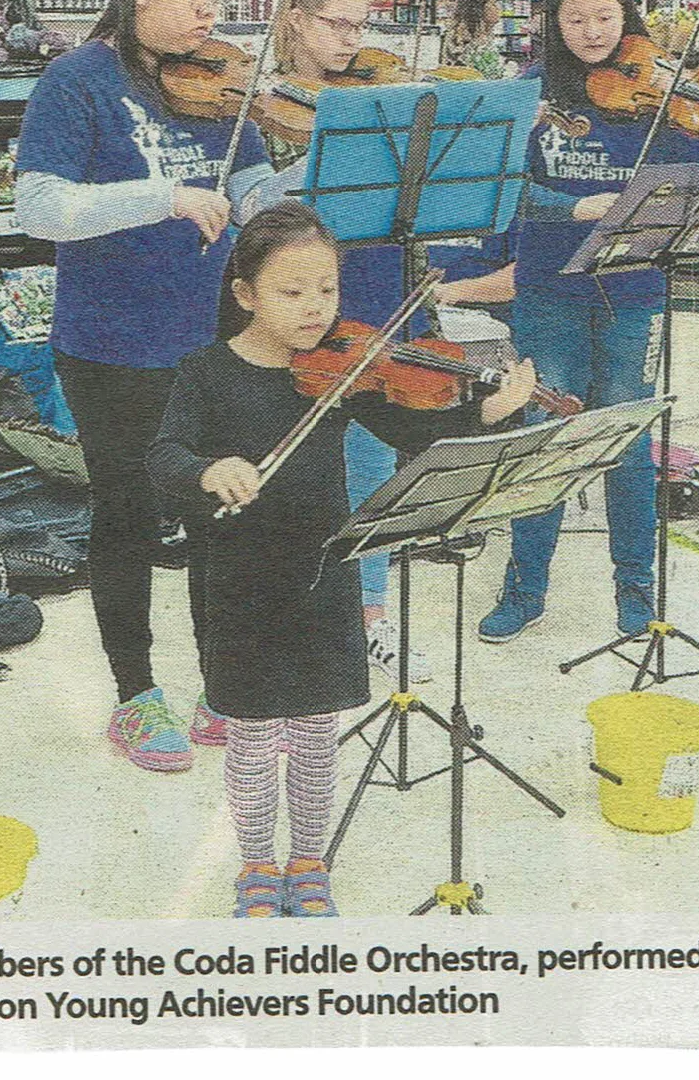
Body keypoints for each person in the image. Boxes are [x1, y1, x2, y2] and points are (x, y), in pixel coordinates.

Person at [147, 203, 534, 918]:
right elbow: (164, 455)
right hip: (238, 587)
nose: (313, 308)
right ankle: (257, 864)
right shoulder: (204, 372)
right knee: (254, 740)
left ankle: (309, 862)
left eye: (326, 290)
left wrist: (481, 414)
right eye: (291, 292)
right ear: (244, 295)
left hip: (322, 576)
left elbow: (409, 423)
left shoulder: (343, 372)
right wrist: (206, 470)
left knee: (318, 737)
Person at [13, 0, 272, 772]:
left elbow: (254, 192)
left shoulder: (223, 85)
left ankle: (220, 686)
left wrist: (332, 167)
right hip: (110, 344)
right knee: (125, 516)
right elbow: (41, 207)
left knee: (216, 519)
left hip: (209, 340)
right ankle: (134, 697)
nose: (211, 14)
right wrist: (159, 197)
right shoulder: (75, 81)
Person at [477, 0, 699, 644]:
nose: (591, 31)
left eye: (605, 17)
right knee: (543, 441)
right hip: (548, 292)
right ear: (552, 23)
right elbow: (501, 192)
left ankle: (635, 590)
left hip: (635, 291)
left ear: (628, 16)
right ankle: (524, 591)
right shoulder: (527, 93)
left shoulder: (659, 93)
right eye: (575, 18)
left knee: (627, 442)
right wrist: (571, 206)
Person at [251, 0, 429, 687]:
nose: (355, 43)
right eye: (338, 26)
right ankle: (283, 621)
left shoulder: (374, 98)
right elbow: (252, 212)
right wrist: (325, 156)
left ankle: (369, 620)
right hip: (298, 305)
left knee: (372, 465)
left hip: (378, 291)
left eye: (362, 26)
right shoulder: (259, 106)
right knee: (288, 472)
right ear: (294, 20)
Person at [441, 0, 508, 78]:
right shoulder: (466, 38)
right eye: (493, 4)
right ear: (479, 8)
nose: (498, 9)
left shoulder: (483, 34)